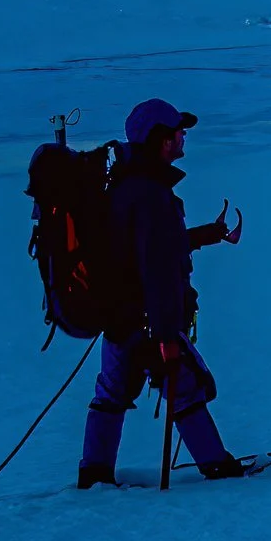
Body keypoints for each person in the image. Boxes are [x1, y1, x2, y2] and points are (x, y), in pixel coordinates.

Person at [78, 98, 251, 487]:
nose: (183, 136)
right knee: (185, 388)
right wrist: (165, 333)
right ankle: (217, 467)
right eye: (177, 131)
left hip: (120, 316)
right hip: (146, 318)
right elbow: (155, 268)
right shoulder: (150, 194)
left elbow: (147, 250)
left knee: (112, 391)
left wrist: (204, 235)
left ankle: (94, 472)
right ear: (160, 139)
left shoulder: (128, 186)